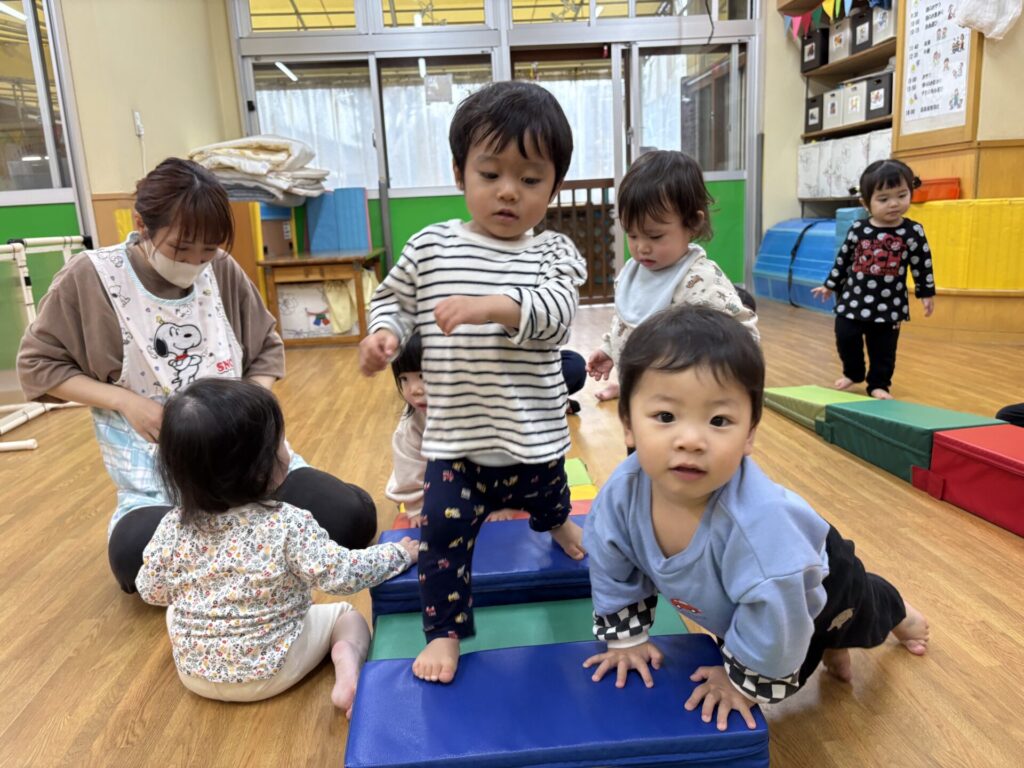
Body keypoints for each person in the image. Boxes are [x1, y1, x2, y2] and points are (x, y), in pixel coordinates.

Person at [17, 158, 377, 594]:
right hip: (159, 485)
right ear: (141, 224)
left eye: (207, 250)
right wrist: (125, 402)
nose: (194, 262)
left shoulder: (220, 268)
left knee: (351, 521)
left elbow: (265, 349)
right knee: (134, 559)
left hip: (253, 469)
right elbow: (39, 366)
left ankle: (228, 558)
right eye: (180, 248)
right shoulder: (91, 277)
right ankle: (254, 553)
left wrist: (252, 408)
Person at [583, 307, 929, 731]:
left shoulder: (760, 530)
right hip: (757, 603)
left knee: (856, 617)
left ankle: (901, 615)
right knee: (798, 635)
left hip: (821, 579)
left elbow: (777, 627)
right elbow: (612, 564)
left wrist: (740, 684)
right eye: (665, 417)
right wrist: (626, 640)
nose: (690, 440)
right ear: (628, 424)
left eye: (719, 421)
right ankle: (832, 645)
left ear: (749, 434)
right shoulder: (622, 494)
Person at [359, 80, 587, 684]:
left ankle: (557, 522)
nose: (509, 191)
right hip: (456, 442)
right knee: (442, 539)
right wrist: (383, 334)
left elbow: (557, 314)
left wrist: (491, 306)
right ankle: (445, 631)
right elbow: (393, 299)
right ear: (460, 172)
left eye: (530, 179)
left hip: (531, 435)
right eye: (491, 174)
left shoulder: (554, 252)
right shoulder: (431, 246)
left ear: (553, 187)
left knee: (551, 498)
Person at [136, 378, 417, 716]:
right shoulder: (287, 523)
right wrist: (399, 553)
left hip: (194, 674)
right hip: (272, 670)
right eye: (279, 442)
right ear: (261, 467)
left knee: (174, 612)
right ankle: (348, 673)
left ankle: (203, 650)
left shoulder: (172, 525)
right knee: (346, 616)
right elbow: (343, 574)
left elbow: (150, 590)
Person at [586, 151, 758, 402]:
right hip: (643, 397)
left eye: (655, 236)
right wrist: (610, 349)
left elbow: (744, 335)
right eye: (632, 235)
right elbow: (626, 321)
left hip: (685, 403)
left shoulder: (699, 279)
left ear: (693, 223)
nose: (641, 247)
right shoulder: (631, 272)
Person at [386, 333, 587, 526]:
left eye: (423, 376)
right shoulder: (412, 423)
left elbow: (514, 460)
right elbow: (409, 465)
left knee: (572, 365)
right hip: (459, 474)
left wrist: (505, 504)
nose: (414, 390)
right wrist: (417, 508)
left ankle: (554, 401)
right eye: (404, 379)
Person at [811, 159, 936, 399]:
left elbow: (922, 263)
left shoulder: (912, 232)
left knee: (884, 348)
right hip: (853, 300)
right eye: (883, 199)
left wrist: (926, 292)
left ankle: (879, 384)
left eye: (902, 195)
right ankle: (853, 372)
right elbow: (843, 259)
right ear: (866, 203)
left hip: (889, 305)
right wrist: (830, 285)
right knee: (845, 336)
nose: (894, 204)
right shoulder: (859, 229)